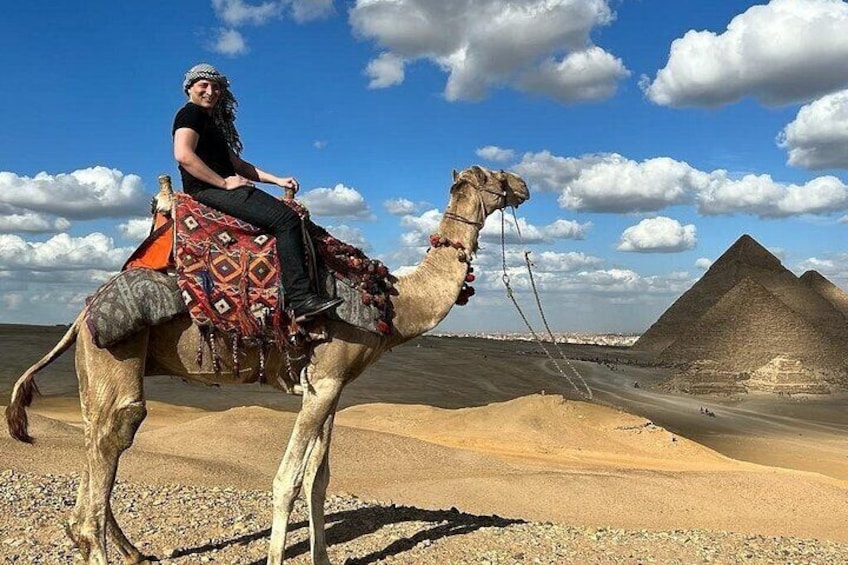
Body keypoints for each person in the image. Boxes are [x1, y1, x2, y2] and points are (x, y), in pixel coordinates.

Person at [172, 63, 342, 320]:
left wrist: (277, 180)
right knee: (286, 220)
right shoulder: (190, 114)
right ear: (189, 89)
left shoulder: (210, 124)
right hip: (208, 190)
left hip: (218, 185)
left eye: (216, 87)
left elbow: (238, 165)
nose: (210, 91)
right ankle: (300, 300)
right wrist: (224, 183)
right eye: (203, 85)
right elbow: (183, 155)